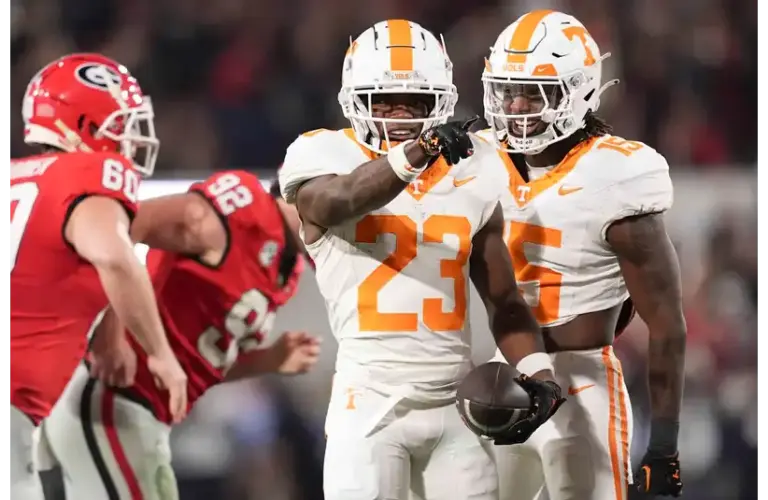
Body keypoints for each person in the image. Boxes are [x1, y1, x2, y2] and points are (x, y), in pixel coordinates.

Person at [279, 19, 565, 500]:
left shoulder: (473, 169)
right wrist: (417, 153)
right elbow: (336, 201)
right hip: (369, 404)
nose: (400, 117)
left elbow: (504, 299)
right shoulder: (322, 152)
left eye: (416, 103)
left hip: (456, 405)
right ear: (355, 102)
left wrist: (540, 372)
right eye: (383, 101)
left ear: (442, 103)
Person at [478, 10, 686, 500]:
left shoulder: (616, 175)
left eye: (536, 92)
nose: (518, 106)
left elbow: (668, 325)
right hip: (505, 375)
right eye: (509, 91)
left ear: (580, 91)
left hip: (582, 383)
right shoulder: (479, 156)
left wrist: (665, 449)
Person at [39, 169, 320, 499]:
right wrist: (111, 331)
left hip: (144, 416)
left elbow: (198, 365)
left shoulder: (284, 267)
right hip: (111, 396)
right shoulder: (242, 211)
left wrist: (267, 361)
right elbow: (115, 231)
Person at [8, 53, 187, 500]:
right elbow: (113, 256)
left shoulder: (18, 179)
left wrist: (111, 335)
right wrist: (160, 353)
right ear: (83, 124)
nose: (130, 135)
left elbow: (60, 264)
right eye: (121, 122)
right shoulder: (89, 173)